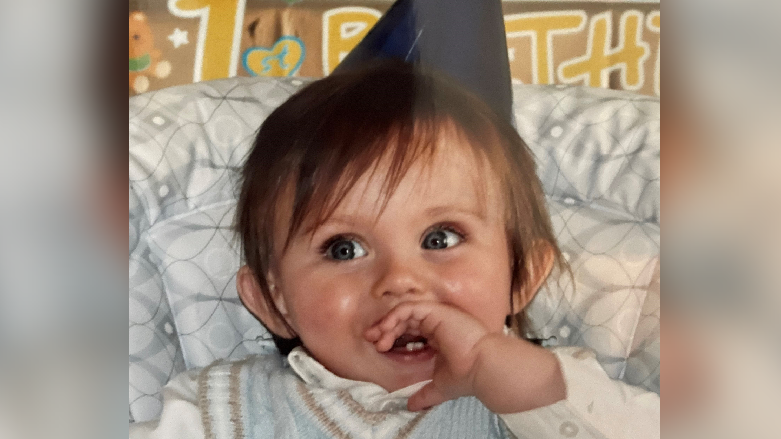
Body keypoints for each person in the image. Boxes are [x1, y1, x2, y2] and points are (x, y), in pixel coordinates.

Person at [130, 60, 658, 439]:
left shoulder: (548, 398)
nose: (399, 279)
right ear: (273, 301)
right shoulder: (218, 415)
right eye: (343, 249)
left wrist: (527, 384)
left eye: (441, 239)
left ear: (523, 275)